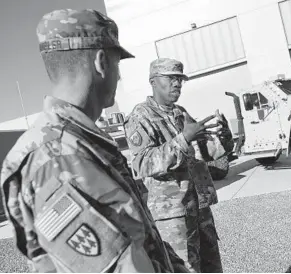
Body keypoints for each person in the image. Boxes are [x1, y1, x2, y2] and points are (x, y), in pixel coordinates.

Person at [0, 9, 188, 273]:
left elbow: (138, 236)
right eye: (117, 64)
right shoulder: (58, 158)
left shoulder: (80, 142)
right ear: (101, 62)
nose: (119, 76)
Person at [124, 58, 234, 272]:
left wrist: (225, 139)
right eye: (171, 78)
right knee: (185, 268)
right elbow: (143, 164)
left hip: (199, 207)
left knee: (212, 267)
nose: (177, 84)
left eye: (180, 79)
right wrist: (183, 138)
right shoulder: (141, 116)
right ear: (154, 81)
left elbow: (202, 151)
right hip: (172, 215)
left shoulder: (180, 113)